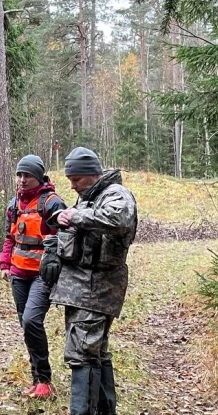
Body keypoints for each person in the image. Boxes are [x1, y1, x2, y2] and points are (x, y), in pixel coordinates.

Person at [39, 147, 138, 415]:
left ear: (92, 174)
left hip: (96, 290)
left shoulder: (116, 194)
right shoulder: (89, 197)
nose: (72, 186)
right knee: (95, 352)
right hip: (81, 290)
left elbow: (120, 219)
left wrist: (75, 216)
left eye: (76, 179)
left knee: (83, 354)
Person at [0, 155, 67, 398]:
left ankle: (45, 380)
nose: (22, 180)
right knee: (26, 326)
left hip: (42, 276)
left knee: (31, 321)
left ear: (38, 177)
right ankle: (37, 378)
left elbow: (66, 238)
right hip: (18, 274)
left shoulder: (52, 203)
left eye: (27, 175)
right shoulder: (14, 204)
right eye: (19, 175)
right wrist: (5, 263)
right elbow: (9, 237)